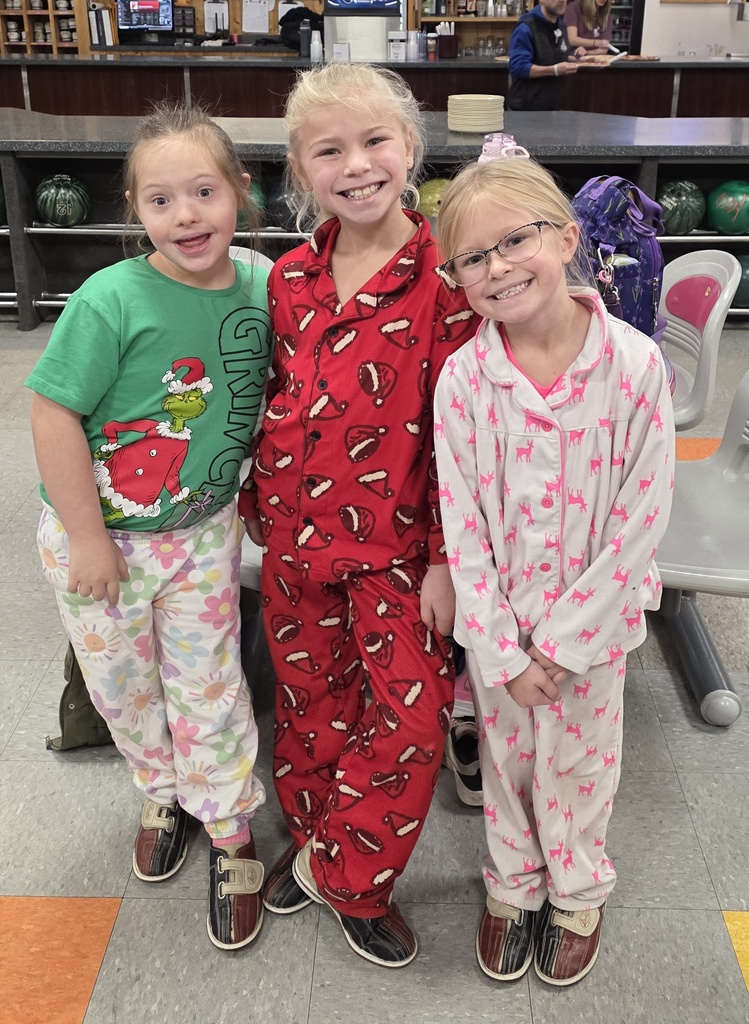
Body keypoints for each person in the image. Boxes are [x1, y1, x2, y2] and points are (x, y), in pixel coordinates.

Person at [238, 61, 479, 968]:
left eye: (375, 140)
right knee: (310, 710)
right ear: (302, 173)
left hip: (398, 552)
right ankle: (311, 843)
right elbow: (282, 392)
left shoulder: (449, 283)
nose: (357, 163)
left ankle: (349, 874)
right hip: (296, 541)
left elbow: (462, 438)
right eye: (329, 149)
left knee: (410, 726)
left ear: (409, 148)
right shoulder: (291, 278)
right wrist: (259, 501)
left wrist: (448, 559)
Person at [27, 102, 273, 952]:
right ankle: (162, 789)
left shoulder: (264, 285)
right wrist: (91, 538)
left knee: (209, 682)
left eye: (203, 191)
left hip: (203, 532)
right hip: (103, 545)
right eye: (161, 200)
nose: (186, 216)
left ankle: (232, 826)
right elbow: (53, 412)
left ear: (241, 191)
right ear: (136, 210)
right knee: (127, 689)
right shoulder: (109, 298)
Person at [432, 155, 674, 986]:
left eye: (515, 240)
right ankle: (513, 881)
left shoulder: (635, 366)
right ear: (455, 276)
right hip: (499, 632)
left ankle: (574, 885)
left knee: (579, 763)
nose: (496, 267)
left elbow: (640, 523)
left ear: (566, 238)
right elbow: (459, 521)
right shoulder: (463, 380)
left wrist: (565, 645)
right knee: (507, 761)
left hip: (589, 636)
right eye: (472, 257)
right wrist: (499, 647)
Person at [507, 0, 586, 111]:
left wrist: (572, 59)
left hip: (555, 107)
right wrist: (554, 70)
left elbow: (550, 56)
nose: (562, 0)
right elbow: (518, 67)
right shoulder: (526, 27)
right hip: (527, 110)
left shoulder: (561, 26)